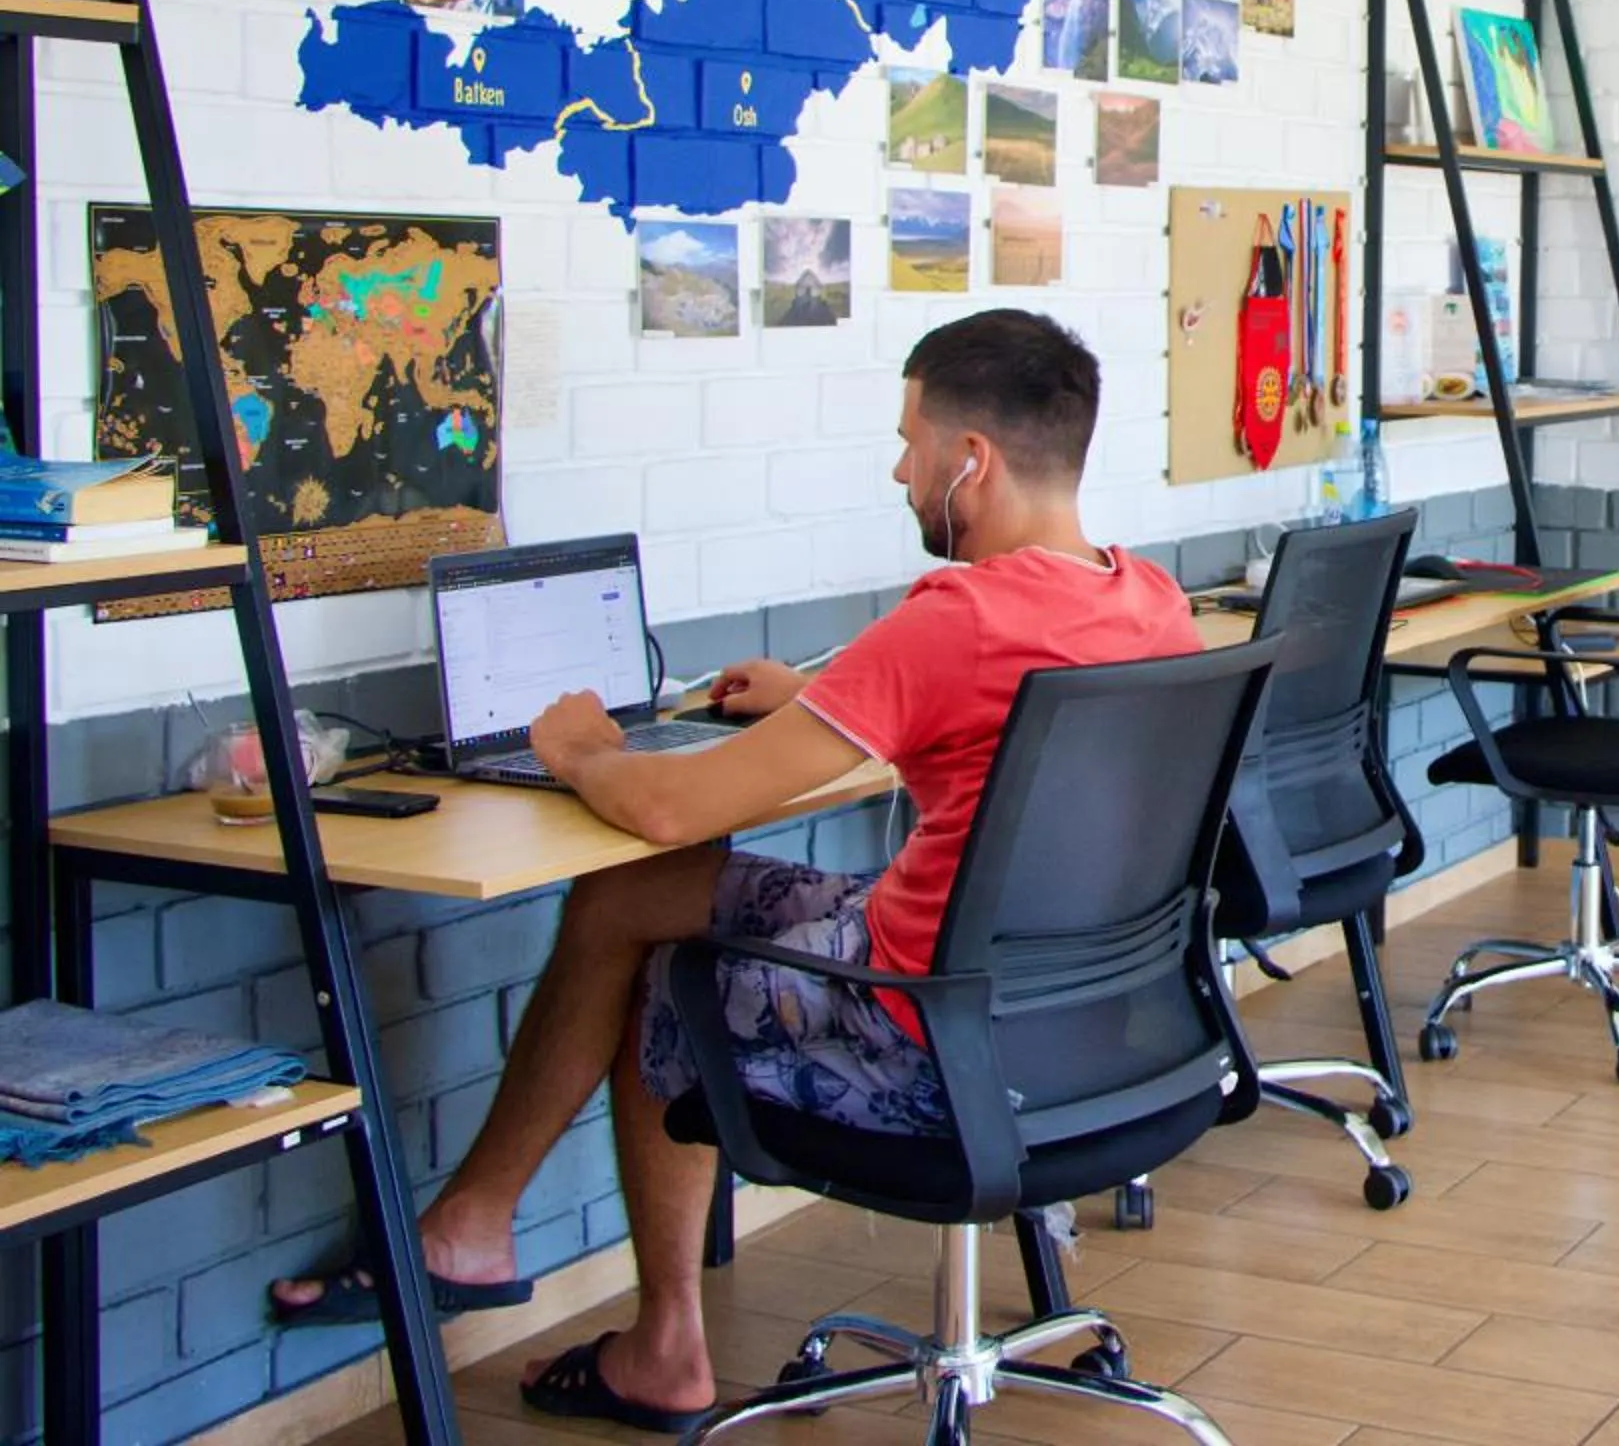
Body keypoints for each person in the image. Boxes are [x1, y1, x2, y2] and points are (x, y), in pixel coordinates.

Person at [269, 309, 1199, 1434]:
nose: (900, 468)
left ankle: (663, 1348)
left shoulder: (954, 617)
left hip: (921, 1028)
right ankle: (475, 1216)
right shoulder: (1147, 597)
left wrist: (576, 748)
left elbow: (667, 802)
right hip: (1076, 1015)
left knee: (676, 965)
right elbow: (975, 708)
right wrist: (816, 700)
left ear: (973, 461)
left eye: (912, 442)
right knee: (629, 893)